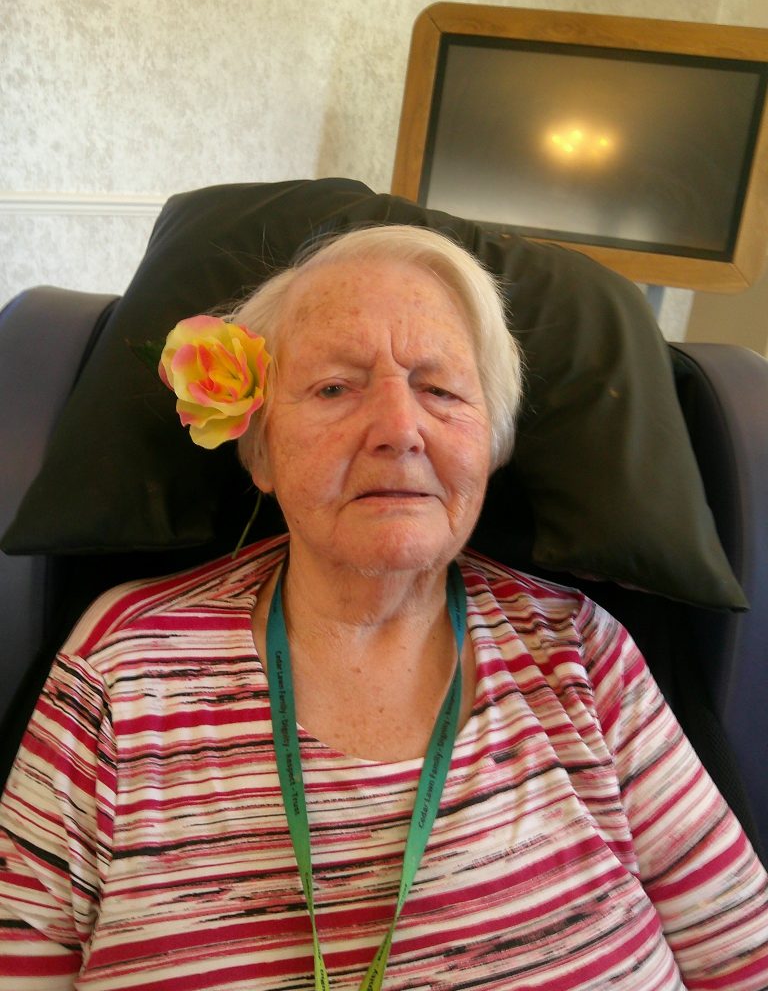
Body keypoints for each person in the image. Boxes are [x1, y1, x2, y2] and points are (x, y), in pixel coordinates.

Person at [0, 224, 767, 991]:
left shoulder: (579, 648)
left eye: (440, 390)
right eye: (336, 387)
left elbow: (744, 960)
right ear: (261, 449)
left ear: (490, 442)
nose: (400, 431)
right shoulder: (121, 667)